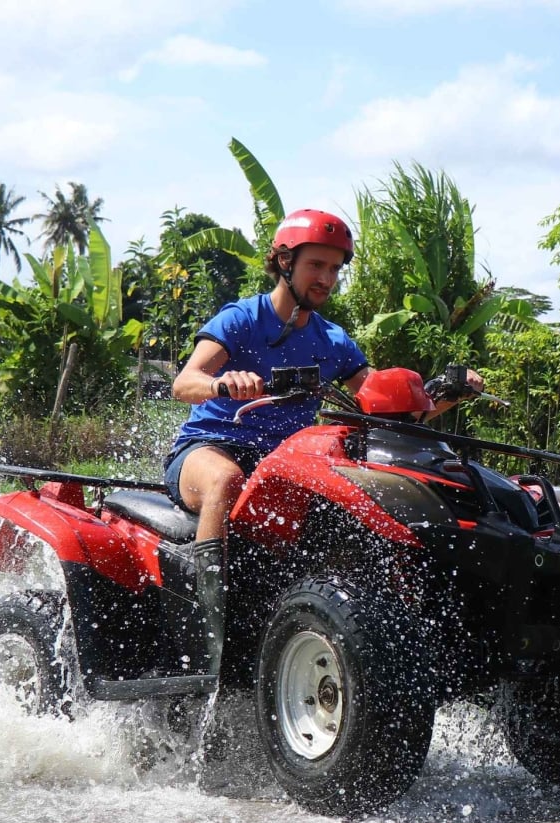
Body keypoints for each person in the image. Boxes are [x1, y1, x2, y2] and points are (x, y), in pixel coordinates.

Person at [164, 208, 481, 675]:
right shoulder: (240, 318)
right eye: (317, 265)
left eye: (335, 269)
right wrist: (225, 383)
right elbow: (184, 383)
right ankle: (206, 623)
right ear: (285, 262)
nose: (327, 278)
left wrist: (449, 395)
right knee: (227, 480)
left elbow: (389, 408)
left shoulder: (333, 341)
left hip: (284, 464)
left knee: (348, 511)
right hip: (209, 450)